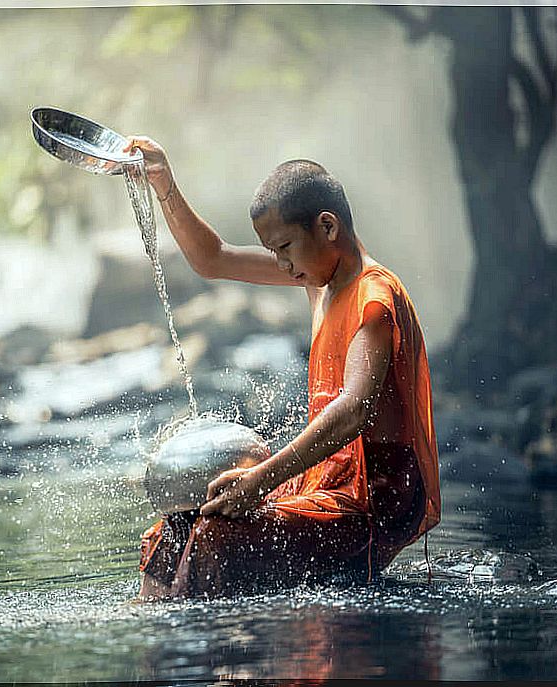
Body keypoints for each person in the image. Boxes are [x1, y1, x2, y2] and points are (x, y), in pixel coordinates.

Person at [123, 136, 441, 600]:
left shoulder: (374, 298)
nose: (281, 264)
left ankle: (226, 663)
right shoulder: (317, 277)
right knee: (173, 528)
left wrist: (261, 479)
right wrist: (163, 184)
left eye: (286, 247)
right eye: (273, 252)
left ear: (327, 227)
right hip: (322, 481)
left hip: (372, 504)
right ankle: (155, 641)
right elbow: (212, 259)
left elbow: (354, 410)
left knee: (213, 536)